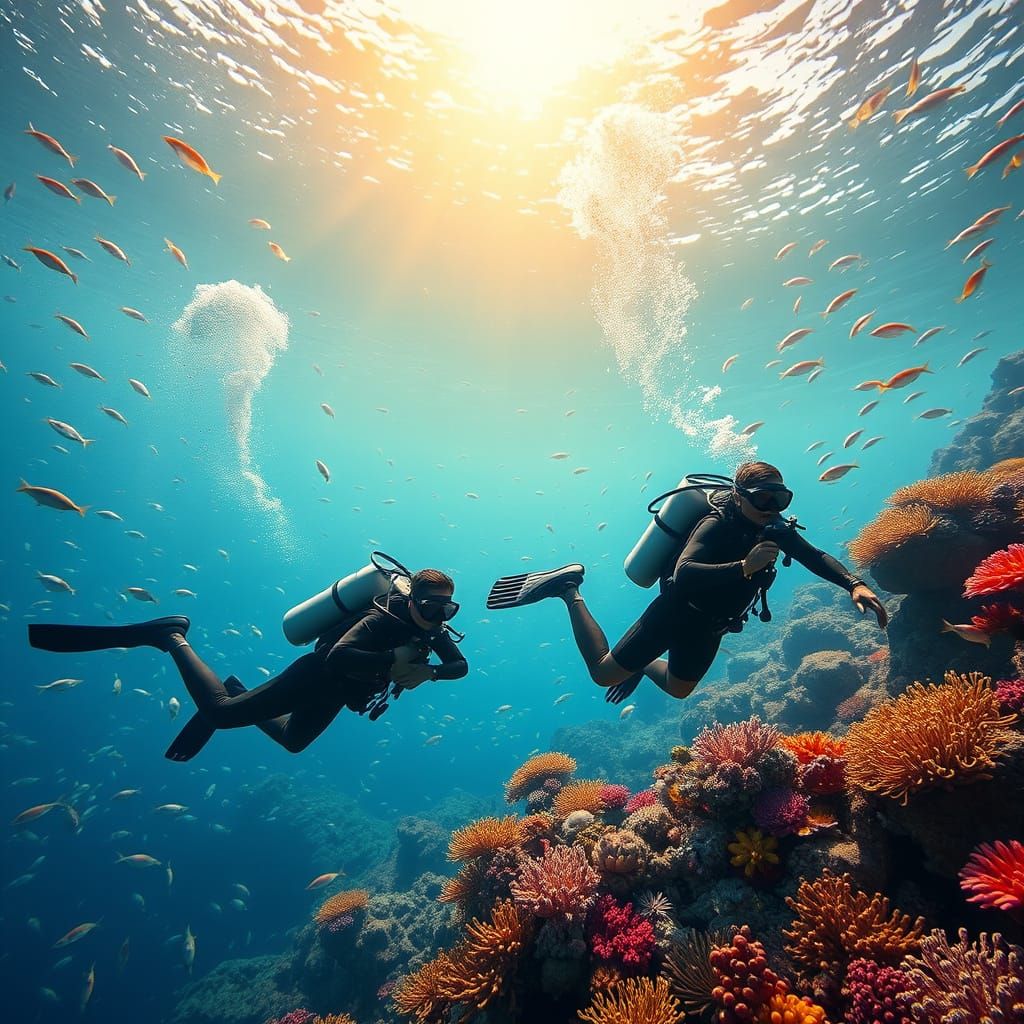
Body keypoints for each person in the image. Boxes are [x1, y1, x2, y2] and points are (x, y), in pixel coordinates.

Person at [486, 461, 887, 705]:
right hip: (677, 612)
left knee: (679, 690)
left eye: (780, 500)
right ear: (740, 495)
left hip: (713, 625)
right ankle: (568, 588)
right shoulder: (715, 522)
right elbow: (685, 573)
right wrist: (744, 567)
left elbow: (813, 555)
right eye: (763, 500)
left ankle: (640, 667)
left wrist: (853, 583)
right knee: (605, 675)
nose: (772, 510)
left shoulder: (775, 529)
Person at [28, 568, 467, 760]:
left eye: (446, 610)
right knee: (218, 714)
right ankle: (170, 636)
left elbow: (460, 666)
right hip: (317, 676)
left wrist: (428, 670)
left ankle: (239, 690)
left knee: (294, 742)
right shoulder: (379, 617)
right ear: (413, 598)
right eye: (431, 606)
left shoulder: (431, 630)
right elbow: (337, 655)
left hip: (340, 693)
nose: (437, 616)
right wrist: (393, 658)